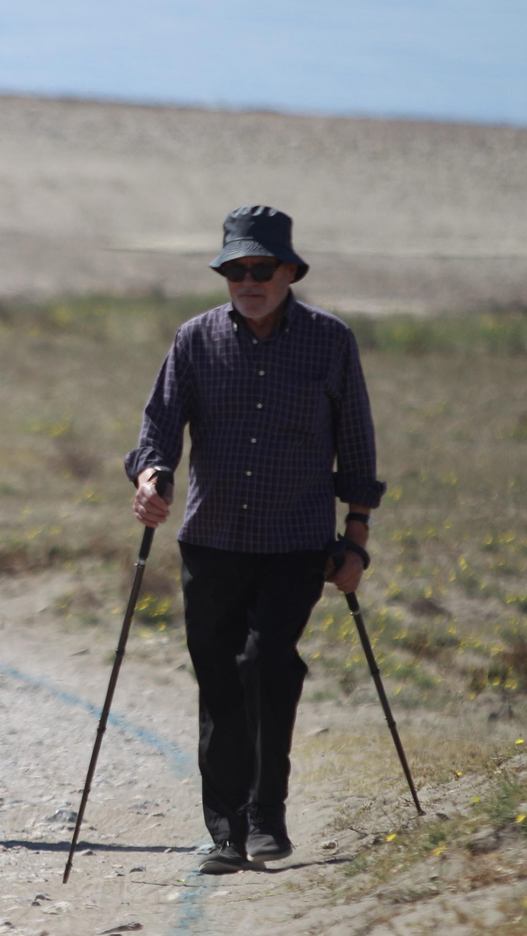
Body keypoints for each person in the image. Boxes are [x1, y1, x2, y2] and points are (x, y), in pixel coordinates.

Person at [124, 206, 385, 874]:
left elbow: (356, 442)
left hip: (295, 542)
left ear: (289, 271)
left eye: (261, 268)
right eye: (235, 269)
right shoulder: (195, 340)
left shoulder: (330, 341)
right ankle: (226, 833)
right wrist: (152, 474)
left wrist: (354, 538)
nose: (248, 280)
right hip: (211, 540)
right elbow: (159, 425)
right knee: (218, 677)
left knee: (266, 664)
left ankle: (267, 814)